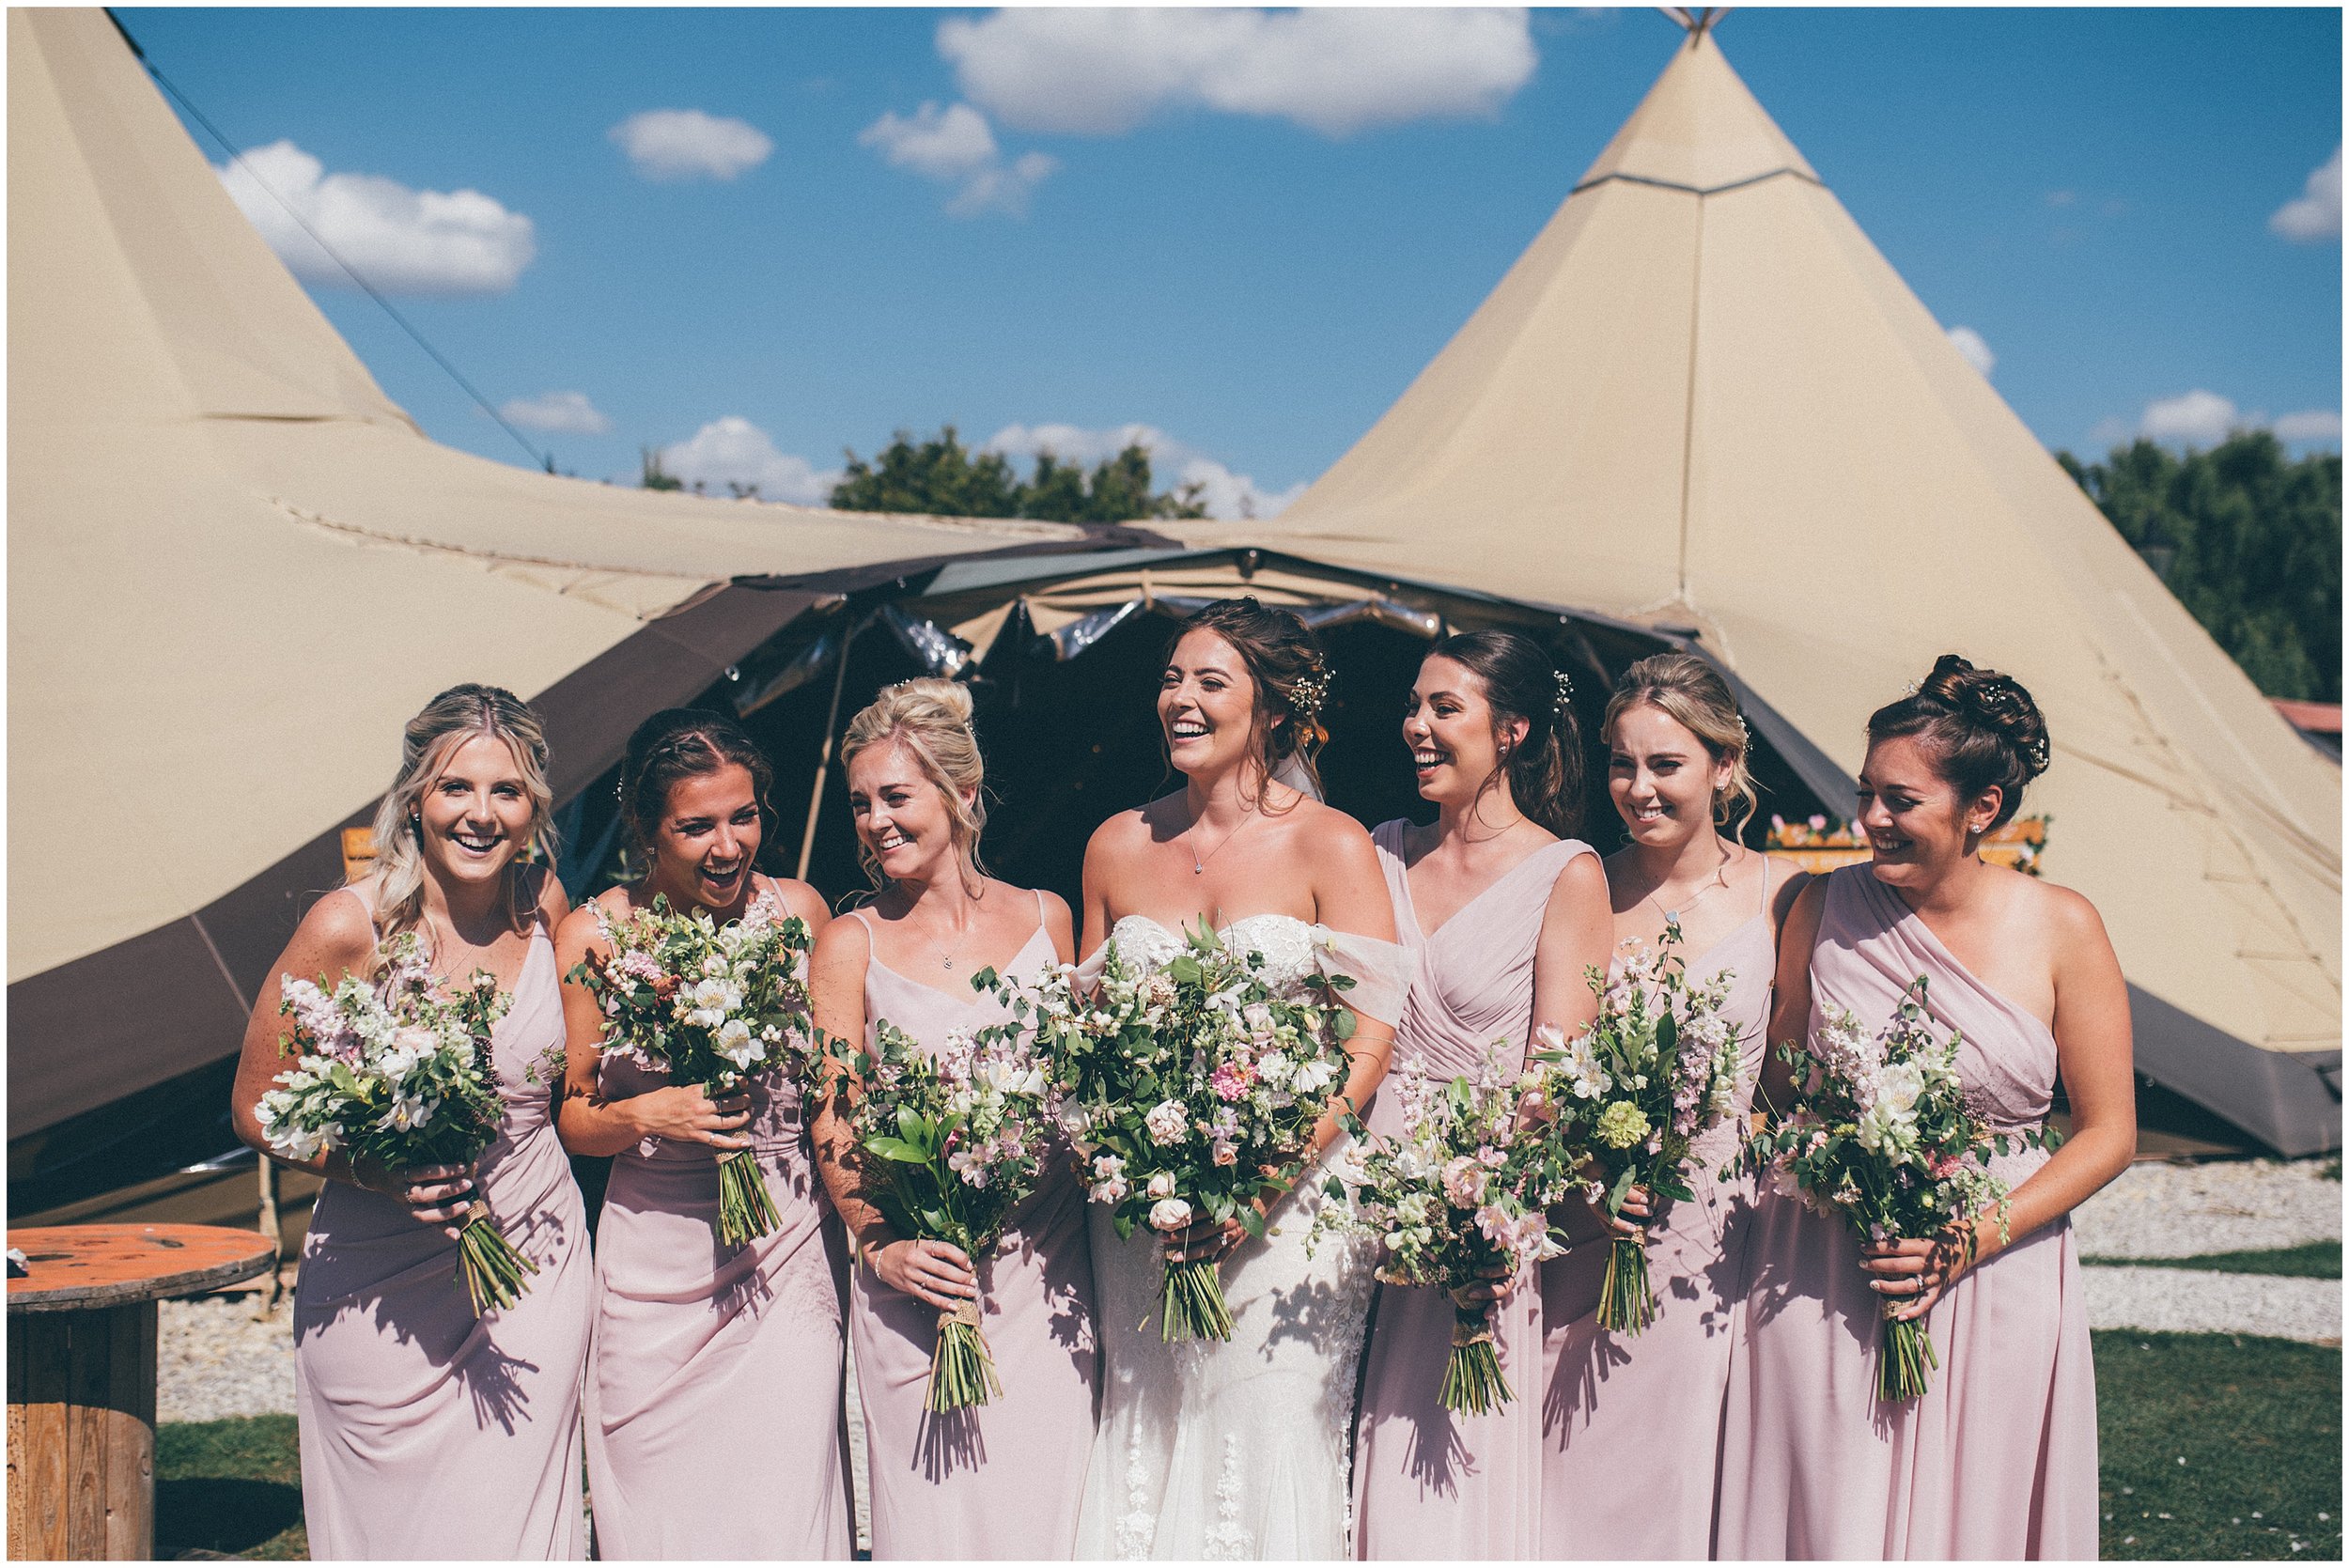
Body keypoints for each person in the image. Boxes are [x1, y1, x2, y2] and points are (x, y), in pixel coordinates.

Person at [1715, 654, 2131, 1560]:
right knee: (1831, 1513)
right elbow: (1774, 1091)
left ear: (1980, 807)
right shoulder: (1820, 908)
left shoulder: (2064, 925)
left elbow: (2110, 1133)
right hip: (1824, 1264)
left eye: (1899, 799)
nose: (1868, 818)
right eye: (1865, 792)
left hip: (1999, 1266)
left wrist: (1967, 1238)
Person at [1068, 597, 1408, 1560]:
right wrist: (1139, 1172)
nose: (1180, 698)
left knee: (1263, 1428)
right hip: (1146, 1211)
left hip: (1294, 1203)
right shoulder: (1115, 844)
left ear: (1272, 709)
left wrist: (1264, 1186)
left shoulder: (1332, 843)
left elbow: (1368, 1038)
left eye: (1210, 681)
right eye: (1172, 678)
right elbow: (1088, 1040)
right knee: (1150, 1427)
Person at [229, 684, 592, 1560]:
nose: (480, 814)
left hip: (535, 1263)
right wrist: (379, 1169)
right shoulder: (349, 924)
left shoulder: (542, 903)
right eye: (455, 787)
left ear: (533, 806)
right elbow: (254, 1105)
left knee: (516, 1524)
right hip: (376, 1281)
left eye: (505, 791)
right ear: (416, 797)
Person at [806, 677, 1093, 1560]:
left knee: (1043, 1520)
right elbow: (834, 1117)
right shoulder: (850, 942)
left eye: (896, 796)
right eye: (860, 804)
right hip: (917, 1289)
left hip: (1046, 1282)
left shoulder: (1051, 917)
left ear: (963, 795)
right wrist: (880, 1244)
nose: (874, 821)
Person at [553, 710, 849, 1560]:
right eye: (697, 826)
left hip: (787, 1250)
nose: (729, 845)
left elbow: (838, 1084)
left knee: (782, 1500)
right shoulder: (594, 936)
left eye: (744, 815)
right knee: (663, 1509)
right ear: (646, 828)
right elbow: (571, 1117)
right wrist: (647, 1113)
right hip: (655, 1264)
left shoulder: (799, 910)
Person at [1352, 631, 1611, 1560]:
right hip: (1351, 1207)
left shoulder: (1565, 873)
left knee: (1444, 1465)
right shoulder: (1375, 853)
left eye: (1442, 708)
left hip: (1474, 1219)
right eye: (1414, 707)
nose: (1415, 726)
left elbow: (1556, 1078)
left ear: (1512, 730)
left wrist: (1480, 1212)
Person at [1539, 651, 1802, 1557]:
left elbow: (1786, 1080)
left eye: (1665, 764)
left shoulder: (1785, 898)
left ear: (1724, 767)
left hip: (1722, 1238)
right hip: (1589, 1218)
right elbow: (1547, 1060)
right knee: (1570, 1457)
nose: (1637, 787)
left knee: (1694, 1462)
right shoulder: (1578, 887)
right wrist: (1590, 1168)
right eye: (1622, 763)